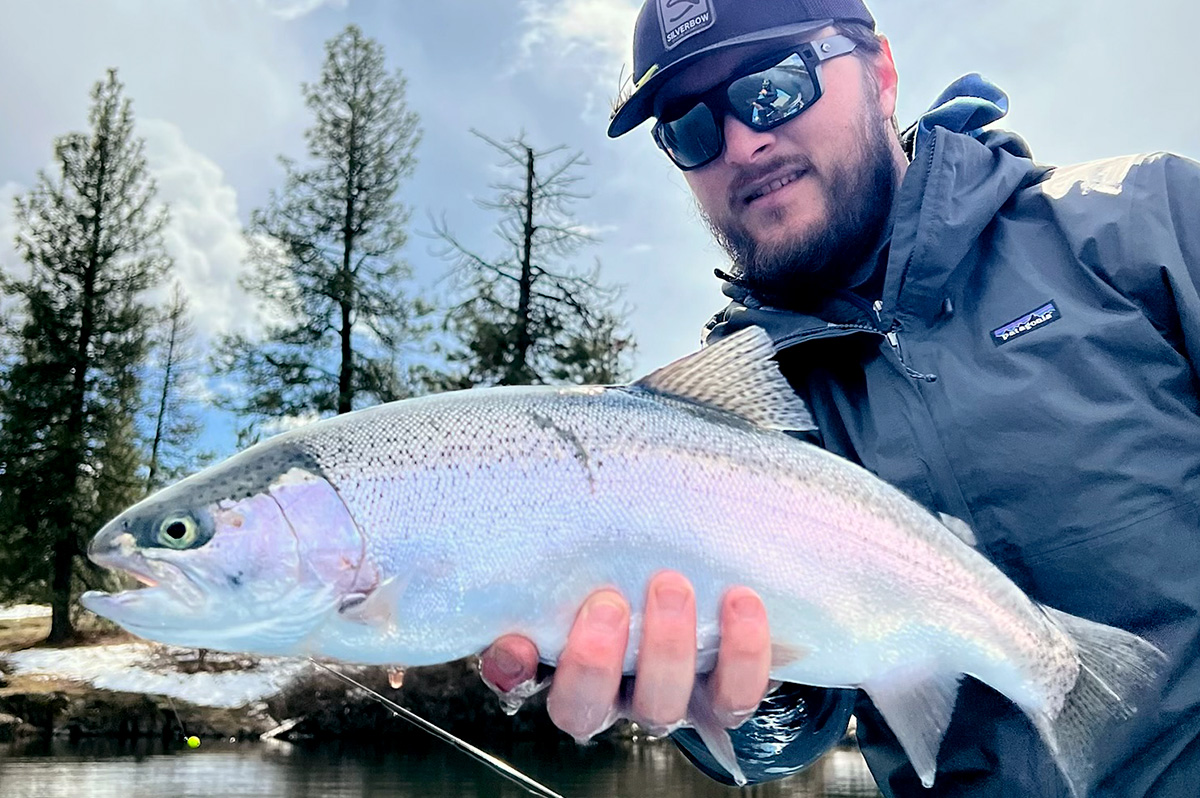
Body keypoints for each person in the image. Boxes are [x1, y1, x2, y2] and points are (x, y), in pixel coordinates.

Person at [480, 0, 1200, 795]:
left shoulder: (1152, 221)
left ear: (881, 73)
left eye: (775, 85)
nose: (743, 143)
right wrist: (718, 701)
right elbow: (788, 740)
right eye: (688, 127)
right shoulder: (721, 422)